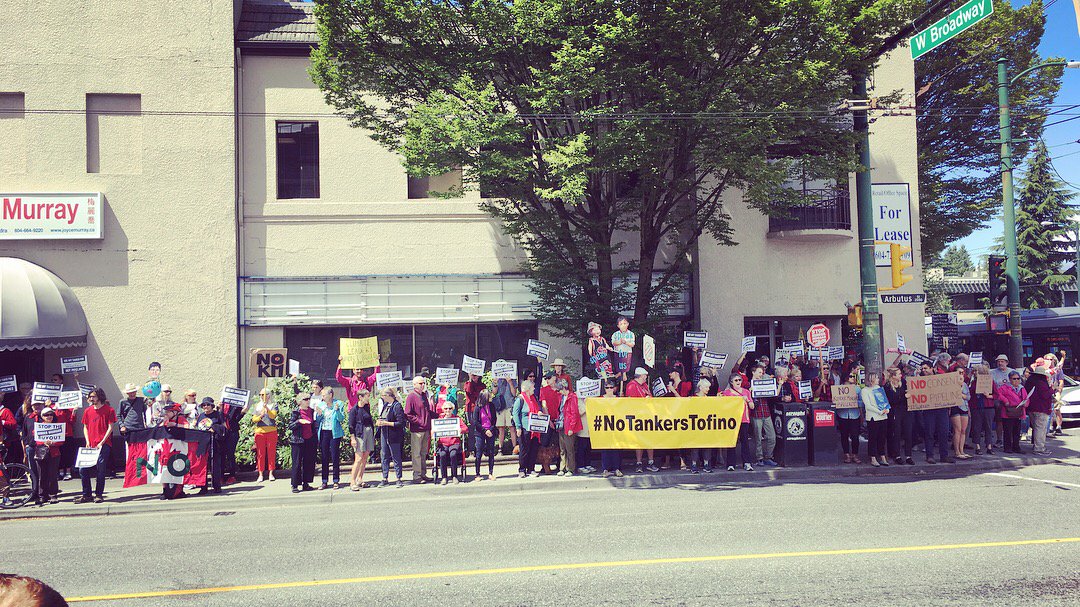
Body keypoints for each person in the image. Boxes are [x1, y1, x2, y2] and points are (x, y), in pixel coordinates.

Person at [74, 388, 115, 504]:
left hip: (103, 444)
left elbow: (110, 427)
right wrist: (87, 441)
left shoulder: (109, 410)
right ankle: (86, 494)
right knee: (83, 469)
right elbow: (85, 427)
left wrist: (102, 442)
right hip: (90, 445)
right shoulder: (87, 411)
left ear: (100, 397)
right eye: (90, 396)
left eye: (94, 396)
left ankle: (98, 495)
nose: (91, 399)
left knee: (100, 469)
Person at [625, 368, 658, 473]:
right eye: (645, 375)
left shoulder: (644, 385)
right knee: (639, 441)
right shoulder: (631, 385)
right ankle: (639, 463)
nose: (646, 377)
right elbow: (631, 403)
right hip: (638, 417)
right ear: (640, 375)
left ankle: (650, 462)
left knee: (649, 440)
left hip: (647, 417)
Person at [720, 374, 755, 471]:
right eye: (736, 380)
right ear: (731, 382)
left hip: (744, 419)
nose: (738, 382)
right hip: (732, 420)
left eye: (740, 380)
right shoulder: (727, 393)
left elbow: (752, 406)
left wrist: (747, 400)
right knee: (732, 441)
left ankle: (747, 463)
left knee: (745, 441)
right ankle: (731, 464)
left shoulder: (746, 392)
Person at [404, 376, 435, 484]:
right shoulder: (411, 396)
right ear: (414, 385)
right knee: (416, 453)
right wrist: (420, 421)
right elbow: (407, 414)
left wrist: (437, 416)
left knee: (423, 453)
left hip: (426, 429)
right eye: (420, 383)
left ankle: (423, 474)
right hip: (417, 430)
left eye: (423, 383)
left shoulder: (423, 396)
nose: (422, 385)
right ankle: (416, 475)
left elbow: (427, 411)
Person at [314, 387, 346, 490]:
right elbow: (318, 421)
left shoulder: (338, 403)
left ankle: (336, 480)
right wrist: (319, 414)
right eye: (322, 395)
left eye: (324, 395)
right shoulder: (321, 405)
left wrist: (336, 411)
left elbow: (341, 419)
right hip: (324, 432)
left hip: (334, 433)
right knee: (324, 457)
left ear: (330, 395)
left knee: (335, 456)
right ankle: (324, 481)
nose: (322, 397)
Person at [883, 367, 914, 465]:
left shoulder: (904, 383)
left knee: (908, 433)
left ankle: (908, 455)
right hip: (895, 411)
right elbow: (891, 400)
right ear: (893, 376)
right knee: (896, 433)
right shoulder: (887, 386)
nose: (901, 375)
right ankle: (897, 455)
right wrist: (903, 397)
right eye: (899, 374)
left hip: (906, 411)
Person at [375, 387, 405, 487]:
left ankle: (399, 478)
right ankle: (385, 478)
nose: (382, 398)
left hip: (394, 435)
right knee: (384, 456)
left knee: (396, 456)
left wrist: (387, 423)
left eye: (383, 396)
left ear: (388, 396)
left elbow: (401, 423)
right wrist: (379, 422)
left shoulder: (397, 406)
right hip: (384, 433)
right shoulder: (385, 405)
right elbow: (381, 417)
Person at [32, 406, 62, 505]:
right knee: (42, 475)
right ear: (42, 417)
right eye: (46, 415)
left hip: (54, 453)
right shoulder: (38, 427)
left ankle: (53, 495)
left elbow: (61, 440)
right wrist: (44, 442)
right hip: (41, 453)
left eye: (51, 414)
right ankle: (42, 496)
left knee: (53, 474)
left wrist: (53, 443)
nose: (49, 417)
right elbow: (36, 439)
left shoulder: (57, 426)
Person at [194, 397, 225, 495]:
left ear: (212, 406)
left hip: (214, 442)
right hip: (203, 443)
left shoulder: (217, 415)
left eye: (207, 405)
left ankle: (216, 486)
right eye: (204, 405)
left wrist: (215, 428)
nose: (205, 407)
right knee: (203, 465)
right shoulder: (201, 416)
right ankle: (203, 487)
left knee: (215, 464)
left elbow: (224, 427)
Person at [512, 378, 542, 477]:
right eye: (532, 387)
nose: (534, 389)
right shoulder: (520, 399)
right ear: (528, 389)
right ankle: (522, 469)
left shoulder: (533, 398)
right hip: (524, 428)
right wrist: (518, 427)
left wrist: (539, 412)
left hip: (534, 428)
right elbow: (515, 414)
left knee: (533, 449)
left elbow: (536, 409)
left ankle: (531, 469)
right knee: (524, 449)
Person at [17, 395, 44, 503]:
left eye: (39, 404)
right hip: (31, 447)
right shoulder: (28, 417)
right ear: (31, 406)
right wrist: (26, 445)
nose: (36, 407)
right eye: (34, 405)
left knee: (42, 472)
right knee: (33, 472)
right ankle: (34, 493)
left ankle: (43, 494)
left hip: (43, 447)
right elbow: (24, 433)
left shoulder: (47, 415)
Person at [748, 365, 777, 467]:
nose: (761, 374)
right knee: (758, 438)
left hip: (766, 412)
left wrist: (780, 384)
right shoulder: (748, 384)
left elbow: (774, 394)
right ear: (753, 372)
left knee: (772, 437)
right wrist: (750, 391)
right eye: (759, 372)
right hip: (756, 414)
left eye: (762, 373)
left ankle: (768, 457)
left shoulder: (764, 383)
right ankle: (759, 458)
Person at [288, 392, 317, 493]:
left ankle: (306, 483)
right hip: (298, 441)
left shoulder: (312, 411)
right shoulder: (296, 412)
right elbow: (290, 426)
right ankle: (294, 485)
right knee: (297, 463)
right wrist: (299, 421)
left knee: (308, 462)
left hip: (309, 440)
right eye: (305, 399)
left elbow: (314, 425)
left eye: (309, 399)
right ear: (300, 402)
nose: (308, 401)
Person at [347, 387, 374, 490]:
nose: (368, 398)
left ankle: (359, 478)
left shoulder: (367, 407)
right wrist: (352, 438)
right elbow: (351, 425)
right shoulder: (354, 410)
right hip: (359, 434)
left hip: (368, 432)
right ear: (360, 397)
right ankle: (352, 482)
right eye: (367, 396)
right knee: (358, 458)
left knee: (365, 457)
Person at [1024, 364, 1054, 456]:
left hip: (1031, 408)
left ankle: (1036, 445)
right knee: (1040, 429)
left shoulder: (1030, 381)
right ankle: (1039, 448)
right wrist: (1052, 389)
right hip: (1041, 408)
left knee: (1035, 428)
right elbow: (1045, 395)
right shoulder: (1041, 382)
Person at [434, 401, 468, 485]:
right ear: (443, 410)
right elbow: (433, 431)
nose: (448, 410)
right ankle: (444, 477)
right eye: (446, 408)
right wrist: (434, 432)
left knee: (453, 454)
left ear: (452, 409)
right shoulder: (440, 420)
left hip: (454, 443)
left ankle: (454, 476)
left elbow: (466, 428)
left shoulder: (457, 419)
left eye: (450, 408)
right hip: (443, 443)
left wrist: (461, 430)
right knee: (442, 455)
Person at [861, 372, 891, 467]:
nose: (878, 379)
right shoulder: (865, 390)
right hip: (873, 417)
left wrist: (887, 409)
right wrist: (879, 411)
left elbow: (884, 401)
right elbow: (868, 405)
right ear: (872, 379)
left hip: (883, 416)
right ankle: (873, 457)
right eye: (877, 378)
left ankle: (882, 456)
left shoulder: (879, 388)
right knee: (873, 437)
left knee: (882, 437)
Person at [554, 378, 582, 476]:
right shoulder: (561, 397)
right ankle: (562, 468)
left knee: (570, 448)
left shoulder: (572, 397)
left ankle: (571, 468)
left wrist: (571, 428)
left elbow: (574, 413)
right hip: (561, 424)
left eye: (560, 390)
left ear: (564, 388)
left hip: (568, 425)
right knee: (562, 448)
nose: (559, 392)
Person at [251, 388, 279, 482]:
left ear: (269, 395)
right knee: (260, 454)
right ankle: (261, 474)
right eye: (261, 395)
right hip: (260, 432)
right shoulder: (257, 406)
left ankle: (271, 473)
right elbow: (254, 419)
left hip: (271, 431)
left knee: (271, 452)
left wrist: (267, 408)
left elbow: (273, 416)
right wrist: (260, 416)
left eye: (265, 394)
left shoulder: (273, 405)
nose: (263, 396)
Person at [996, 371, 1027, 453]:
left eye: (1018, 378)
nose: (1016, 380)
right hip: (1007, 412)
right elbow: (998, 394)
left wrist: (1025, 403)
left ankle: (1016, 447)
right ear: (1010, 379)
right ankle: (1008, 448)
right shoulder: (1004, 387)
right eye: (1014, 379)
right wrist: (1005, 400)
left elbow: (1026, 398)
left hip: (1018, 412)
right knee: (1008, 431)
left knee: (1017, 431)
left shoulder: (1021, 388)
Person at [470, 390, 498, 480]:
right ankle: (477, 474)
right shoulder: (477, 407)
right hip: (480, 432)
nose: (490, 397)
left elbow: (494, 419)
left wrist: (490, 429)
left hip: (490, 431)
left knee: (491, 452)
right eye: (488, 396)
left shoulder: (492, 406)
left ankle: (491, 472)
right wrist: (484, 430)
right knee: (479, 453)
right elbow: (475, 421)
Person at [836, 370, 862, 464]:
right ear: (846, 377)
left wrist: (855, 401)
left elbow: (862, 402)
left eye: (854, 376)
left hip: (854, 415)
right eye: (851, 376)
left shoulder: (858, 389)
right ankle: (846, 454)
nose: (853, 378)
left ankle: (855, 454)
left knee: (855, 437)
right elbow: (835, 401)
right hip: (843, 415)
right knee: (844, 436)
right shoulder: (839, 388)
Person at [598, 380, 624, 477]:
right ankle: (605, 469)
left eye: (611, 387)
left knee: (616, 448)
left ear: (614, 388)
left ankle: (616, 468)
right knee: (605, 448)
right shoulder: (600, 398)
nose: (609, 390)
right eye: (607, 388)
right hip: (604, 426)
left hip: (616, 426)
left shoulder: (617, 398)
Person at [969, 364, 995, 456]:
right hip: (976, 407)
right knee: (977, 427)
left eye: (977, 371)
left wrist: (989, 396)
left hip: (988, 407)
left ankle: (989, 446)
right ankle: (977, 446)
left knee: (988, 427)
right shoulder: (973, 382)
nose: (975, 373)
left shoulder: (990, 381)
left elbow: (997, 395)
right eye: (974, 371)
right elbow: (970, 395)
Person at [493, 370, 519, 456]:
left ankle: (514, 448)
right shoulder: (497, 379)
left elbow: (514, 393)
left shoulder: (512, 379)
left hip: (509, 405)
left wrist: (510, 382)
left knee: (512, 427)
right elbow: (494, 392)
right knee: (501, 428)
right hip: (500, 407)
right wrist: (495, 383)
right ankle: (500, 449)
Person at [949, 367, 972, 460]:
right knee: (957, 430)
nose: (961, 374)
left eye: (962, 372)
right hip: (955, 407)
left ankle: (962, 450)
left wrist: (963, 395)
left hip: (964, 407)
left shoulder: (965, 385)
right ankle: (957, 451)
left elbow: (968, 397)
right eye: (959, 372)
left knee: (963, 430)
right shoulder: (951, 384)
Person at [610, 316, 635, 383]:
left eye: (624, 323)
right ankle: (620, 373)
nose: (623, 325)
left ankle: (624, 373)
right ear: (618, 326)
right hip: (618, 351)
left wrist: (626, 342)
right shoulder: (615, 334)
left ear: (628, 324)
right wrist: (620, 342)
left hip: (627, 352)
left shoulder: (631, 334)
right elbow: (614, 343)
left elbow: (632, 344)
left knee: (626, 362)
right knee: (618, 362)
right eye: (621, 324)